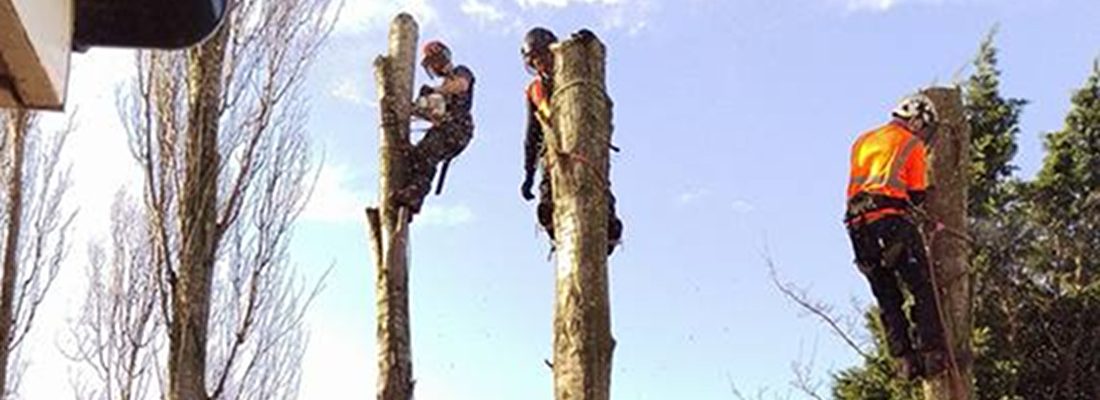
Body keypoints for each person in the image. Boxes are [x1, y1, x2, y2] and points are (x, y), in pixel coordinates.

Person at [845, 94, 948, 380]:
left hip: (857, 225)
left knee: (886, 293)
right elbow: (916, 194)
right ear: (915, 119)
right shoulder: (911, 143)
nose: (922, 133)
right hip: (889, 221)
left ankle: (903, 359)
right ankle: (932, 353)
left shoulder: (863, 140)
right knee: (921, 284)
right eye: (922, 126)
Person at [519, 27, 623, 255]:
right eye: (534, 61)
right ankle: (555, 225)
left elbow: (594, 82)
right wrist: (528, 172)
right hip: (555, 148)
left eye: (543, 57)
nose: (540, 64)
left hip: (585, 142)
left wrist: (587, 43)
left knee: (596, 184)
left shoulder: (575, 74)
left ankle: (609, 225)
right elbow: (532, 134)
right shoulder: (535, 90)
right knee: (548, 188)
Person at [393, 40, 476, 215]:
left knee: (427, 153)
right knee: (415, 155)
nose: (435, 67)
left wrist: (437, 91)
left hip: (459, 128)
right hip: (443, 128)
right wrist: (414, 109)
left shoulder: (460, 73)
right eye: (431, 65)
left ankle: (414, 195)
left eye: (436, 61)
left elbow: (461, 85)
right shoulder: (442, 88)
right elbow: (434, 114)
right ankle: (408, 203)